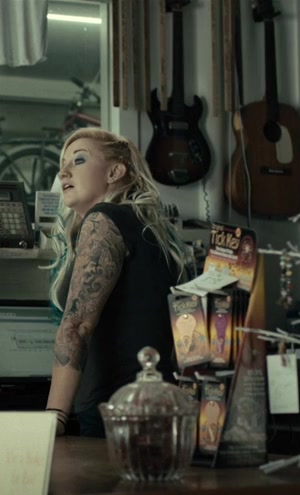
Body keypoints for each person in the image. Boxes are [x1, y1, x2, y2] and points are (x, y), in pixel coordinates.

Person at [43, 127, 193, 437]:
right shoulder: (148, 230)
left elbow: (77, 325)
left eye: (79, 160)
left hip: (114, 409)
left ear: (114, 172)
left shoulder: (103, 219)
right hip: (156, 403)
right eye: (63, 163)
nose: (63, 171)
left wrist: (54, 416)